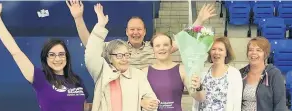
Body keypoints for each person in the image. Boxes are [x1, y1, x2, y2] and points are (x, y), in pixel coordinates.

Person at [0, 0, 90, 111]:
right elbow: (15, 51)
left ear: (67, 57)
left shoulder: (76, 80)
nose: (57, 58)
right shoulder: (39, 78)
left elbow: (83, 107)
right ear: (45, 58)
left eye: (61, 54)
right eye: (52, 55)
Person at [66, 0, 216, 70]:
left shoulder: (156, 48)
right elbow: (90, 44)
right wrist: (78, 18)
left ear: (145, 32)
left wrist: (200, 20)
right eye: (132, 29)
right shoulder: (116, 48)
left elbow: (182, 40)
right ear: (126, 31)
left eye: (139, 29)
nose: (135, 32)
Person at [85, 3, 157, 111]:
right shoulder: (101, 72)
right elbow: (91, 52)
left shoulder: (138, 75)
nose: (124, 59)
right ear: (110, 57)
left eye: (126, 55)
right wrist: (100, 25)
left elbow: (151, 103)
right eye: (119, 55)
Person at [140, 33, 202, 111]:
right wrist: (141, 102)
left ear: (171, 47)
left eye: (165, 45)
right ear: (153, 49)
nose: (162, 48)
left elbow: (199, 97)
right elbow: (132, 97)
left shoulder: (182, 70)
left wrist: (198, 87)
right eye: (158, 46)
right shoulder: (144, 72)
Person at [192, 37, 243, 111]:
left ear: (226, 53)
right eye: (213, 49)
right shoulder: (202, 73)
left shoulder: (234, 74)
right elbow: (197, 99)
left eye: (220, 49)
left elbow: (237, 103)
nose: (216, 52)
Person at [239, 37, 286, 111]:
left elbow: (280, 105)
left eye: (258, 50)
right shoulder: (241, 73)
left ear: (265, 54)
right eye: (250, 50)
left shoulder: (274, 74)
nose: (253, 53)